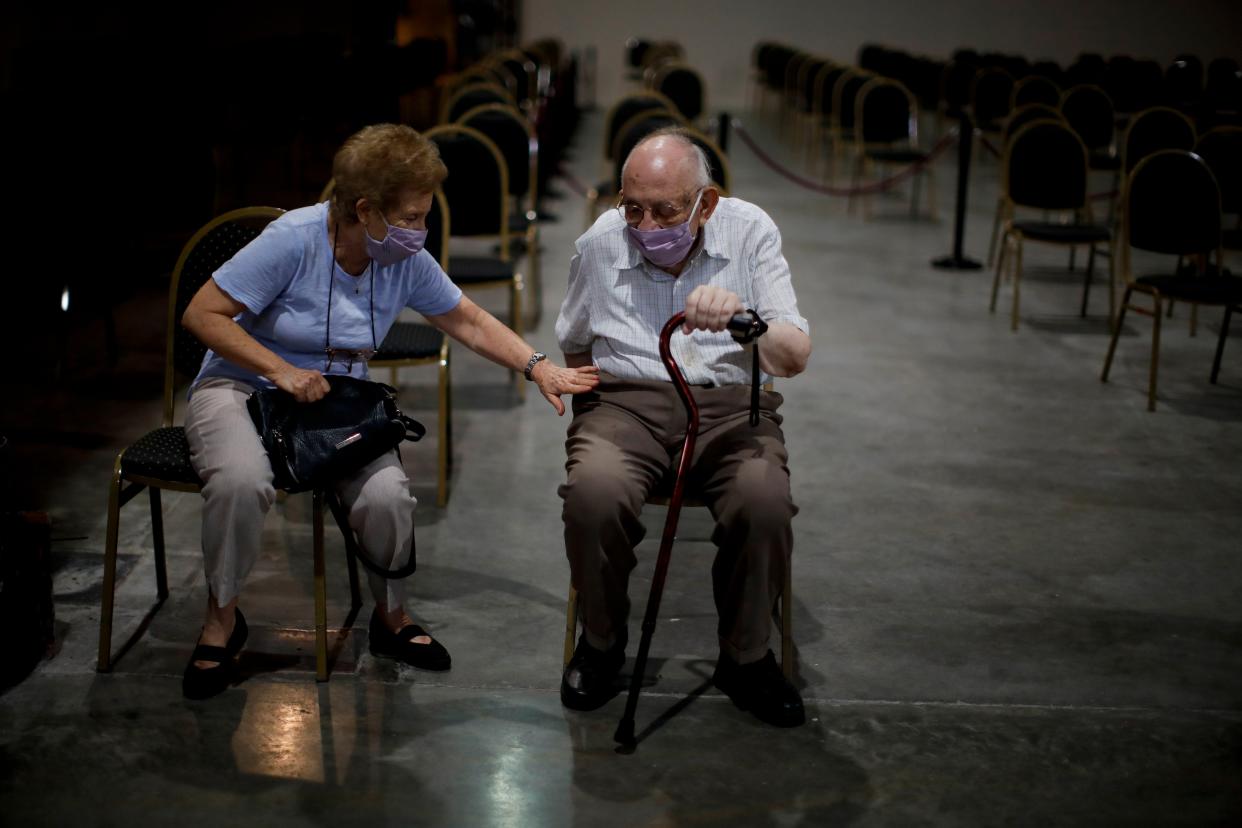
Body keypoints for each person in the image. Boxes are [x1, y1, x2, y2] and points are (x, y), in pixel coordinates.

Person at [180, 123, 598, 700]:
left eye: (424, 216)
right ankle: (221, 618)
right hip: (242, 385)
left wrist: (539, 367)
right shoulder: (292, 239)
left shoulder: (402, 257)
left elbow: (469, 321)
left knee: (388, 497)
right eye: (409, 218)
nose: (419, 232)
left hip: (334, 400)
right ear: (363, 211)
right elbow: (203, 315)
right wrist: (281, 372)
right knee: (241, 482)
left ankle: (391, 617)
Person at [555, 128, 812, 727]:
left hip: (729, 405)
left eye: (667, 210)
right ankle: (601, 642)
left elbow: (793, 358)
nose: (647, 226)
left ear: (707, 203)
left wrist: (746, 323)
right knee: (592, 493)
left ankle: (745, 656)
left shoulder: (750, 230)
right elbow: (573, 342)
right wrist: (592, 419)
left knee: (764, 501)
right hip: (626, 403)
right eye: (633, 208)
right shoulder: (600, 241)